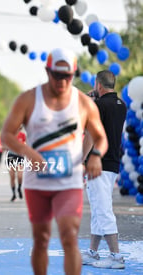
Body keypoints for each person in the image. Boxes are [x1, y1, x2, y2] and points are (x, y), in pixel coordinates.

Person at [1, 48, 108, 275]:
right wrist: (29, 153)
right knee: (41, 238)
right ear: (48, 71)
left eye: (67, 76)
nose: (62, 81)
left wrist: (95, 156)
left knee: (69, 235)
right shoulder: (28, 99)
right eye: (57, 75)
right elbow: (7, 135)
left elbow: (100, 137)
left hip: (68, 180)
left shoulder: (84, 103)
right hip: (37, 180)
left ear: (74, 74)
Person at [81, 70, 127, 269]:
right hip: (112, 163)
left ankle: (115, 257)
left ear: (98, 85)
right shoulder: (121, 105)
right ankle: (93, 252)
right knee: (99, 208)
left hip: (97, 163)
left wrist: (81, 160)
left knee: (103, 210)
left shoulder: (98, 105)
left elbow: (90, 136)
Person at [4, 126, 26, 202]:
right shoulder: (9, 135)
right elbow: (4, 146)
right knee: (12, 176)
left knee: (20, 176)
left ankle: (19, 188)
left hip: (20, 157)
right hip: (10, 157)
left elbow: (26, 145)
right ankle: (13, 194)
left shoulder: (23, 135)